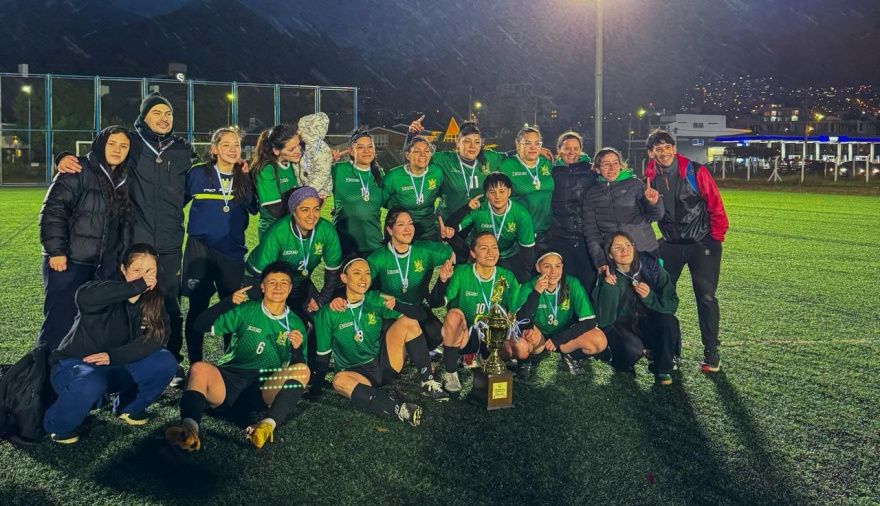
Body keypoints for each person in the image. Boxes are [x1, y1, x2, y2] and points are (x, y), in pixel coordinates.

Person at [56, 92, 200, 377]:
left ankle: (172, 361)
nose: (164, 118)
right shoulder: (131, 143)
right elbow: (99, 155)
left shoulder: (183, 150)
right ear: (143, 117)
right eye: (157, 112)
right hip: (135, 241)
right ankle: (121, 359)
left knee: (170, 305)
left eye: (168, 114)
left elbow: (189, 188)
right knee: (127, 302)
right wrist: (62, 157)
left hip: (170, 244)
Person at [165, 262, 310, 450]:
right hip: (229, 381)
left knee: (302, 370)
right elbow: (199, 325)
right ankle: (189, 429)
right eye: (272, 282)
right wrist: (227, 303)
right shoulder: (246, 309)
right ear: (262, 287)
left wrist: (296, 350)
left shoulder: (296, 323)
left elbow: (298, 367)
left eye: (284, 283)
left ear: (290, 289)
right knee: (199, 368)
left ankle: (266, 426)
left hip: (263, 387)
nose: (278, 287)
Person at [43, 244, 178, 443]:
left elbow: (155, 340)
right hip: (77, 365)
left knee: (164, 361)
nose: (143, 277)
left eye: (150, 271)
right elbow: (83, 296)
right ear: (123, 269)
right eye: (137, 270)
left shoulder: (155, 299)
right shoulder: (104, 289)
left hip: (115, 363)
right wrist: (135, 287)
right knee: (90, 383)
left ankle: (128, 407)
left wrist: (112, 357)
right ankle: (58, 424)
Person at [312, 258, 447, 427]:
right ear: (344, 278)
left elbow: (421, 315)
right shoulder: (328, 313)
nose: (364, 278)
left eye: (367, 273)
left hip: (384, 364)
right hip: (356, 373)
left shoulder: (375, 299)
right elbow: (323, 354)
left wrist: (398, 305)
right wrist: (316, 387)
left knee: (409, 322)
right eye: (357, 273)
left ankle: (427, 382)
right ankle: (399, 409)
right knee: (339, 381)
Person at [38, 126, 134, 351]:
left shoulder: (122, 177)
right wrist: (56, 251)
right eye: (112, 144)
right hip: (71, 262)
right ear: (100, 145)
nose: (117, 150)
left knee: (93, 325)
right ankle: (43, 370)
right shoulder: (78, 169)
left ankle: (79, 371)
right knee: (60, 322)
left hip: (103, 265)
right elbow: (53, 211)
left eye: (124, 146)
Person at [644, 130, 729, 372]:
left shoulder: (695, 171)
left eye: (667, 147)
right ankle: (668, 351)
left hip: (701, 243)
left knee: (706, 297)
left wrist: (714, 239)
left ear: (674, 148)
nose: (664, 152)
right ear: (651, 153)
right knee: (661, 296)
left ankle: (711, 351)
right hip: (670, 244)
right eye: (658, 149)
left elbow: (715, 204)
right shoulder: (649, 175)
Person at [182, 127, 257, 364]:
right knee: (197, 306)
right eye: (226, 145)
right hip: (200, 250)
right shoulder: (197, 174)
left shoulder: (244, 178)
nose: (233, 149)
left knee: (232, 308)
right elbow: (175, 204)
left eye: (236, 145)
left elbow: (255, 208)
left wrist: (250, 176)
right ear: (214, 149)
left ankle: (229, 364)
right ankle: (196, 363)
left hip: (232, 252)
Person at [434, 232, 534, 391]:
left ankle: (486, 358)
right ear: (473, 253)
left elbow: (515, 309)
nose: (491, 252)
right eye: (484, 248)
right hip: (465, 335)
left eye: (494, 247)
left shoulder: (507, 276)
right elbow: (439, 302)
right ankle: (450, 370)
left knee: (522, 348)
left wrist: (533, 292)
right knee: (453, 315)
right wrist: (442, 281)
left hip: (493, 336)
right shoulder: (461, 272)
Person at [592, 232, 681, 385]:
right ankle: (623, 365)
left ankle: (662, 369)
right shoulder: (607, 275)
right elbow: (604, 320)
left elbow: (672, 303)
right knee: (633, 349)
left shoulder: (651, 267)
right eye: (617, 247)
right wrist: (609, 288)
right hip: (622, 324)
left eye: (628, 245)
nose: (624, 250)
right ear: (610, 255)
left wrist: (650, 297)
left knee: (670, 321)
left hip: (648, 320)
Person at [246, 187, 342, 323]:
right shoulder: (277, 233)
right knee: (275, 321)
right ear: (293, 211)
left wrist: (322, 299)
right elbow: (260, 276)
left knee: (320, 319)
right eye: (305, 210)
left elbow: (333, 272)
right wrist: (273, 305)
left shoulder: (326, 231)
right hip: (262, 279)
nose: (312, 216)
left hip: (298, 280)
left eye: (316, 209)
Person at [364, 208, 454, 350]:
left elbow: (456, 254)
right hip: (390, 312)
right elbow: (360, 289)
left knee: (436, 334)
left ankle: (413, 349)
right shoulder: (377, 258)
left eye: (410, 223)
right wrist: (381, 300)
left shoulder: (423, 250)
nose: (407, 229)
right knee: (387, 333)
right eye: (401, 225)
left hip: (416, 309)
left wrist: (449, 237)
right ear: (390, 229)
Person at [515, 251, 609, 376]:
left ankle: (571, 357)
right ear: (538, 267)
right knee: (524, 337)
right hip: (538, 336)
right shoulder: (528, 286)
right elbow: (520, 319)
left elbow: (589, 321)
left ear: (562, 267)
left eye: (557, 266)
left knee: (599, 340)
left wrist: (559, 339)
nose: (553, 271)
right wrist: (536, 293)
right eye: (547, 266)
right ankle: (525, 361)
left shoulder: (572, 283)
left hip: (563, 336)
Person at [583, 147, 663, 280]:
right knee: (621, 292)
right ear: (597, 169)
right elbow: (591, 231)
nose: (612, 168)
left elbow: (655, 216)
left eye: (615, 163)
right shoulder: (592, 194)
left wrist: (653, 203)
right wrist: (600, 260)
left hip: (644, 249)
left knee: (651, 289)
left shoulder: (635, 184)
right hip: (614, 255)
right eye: (606, 164)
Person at [407, 116, 506, 221]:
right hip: (447, 223)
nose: (473, 146)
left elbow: (513, 156)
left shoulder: (489, 158)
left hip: (477, 223)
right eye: (467, 141)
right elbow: (413, 159)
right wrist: (411, 135)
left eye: (477, 142)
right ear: (458, 142)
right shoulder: (444, 159)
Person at [445, 173, 535, 283]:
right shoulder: (479, 209)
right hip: (479, 255)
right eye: (492, 192)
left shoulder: (521, 214)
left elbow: (528, 251)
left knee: (506, 286)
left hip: (507, 255)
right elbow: (451, 226)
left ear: (509, 192)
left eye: (502, 191)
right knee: (472, 284)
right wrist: (466, 208)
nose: (497, 196)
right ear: (487, 194)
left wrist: (525, 277)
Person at [550, 131, 599, 295]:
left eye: (576, 148)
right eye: (567, 148)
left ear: (581, 150)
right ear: (559, 150)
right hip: (561, 239)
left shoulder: (591, 171)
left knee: (588, 285)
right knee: (565, 287)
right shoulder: (551, 171)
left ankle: (588, 312)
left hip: (586, 240)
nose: (572, 152)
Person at [331, 129, 386, 256]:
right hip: (344, 245)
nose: (366, 151)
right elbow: (312, 177)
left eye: (370, 146)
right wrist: (326, 162)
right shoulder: (339, 170)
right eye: (360, 147)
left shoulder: (379, 174)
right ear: (351, 151)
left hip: (373, 245)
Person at [500, 126, 555, 252]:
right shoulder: (506, 165)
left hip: (544, 234)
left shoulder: (546, 162)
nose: (533, 147)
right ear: (517, 145)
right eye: (527, 143)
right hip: (517, 234)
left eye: (537, 143)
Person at [382, 135, 444, 240]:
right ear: (408, 155)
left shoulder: (436, 172)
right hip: (402, 232)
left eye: (426, 151)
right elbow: (381, 201)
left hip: (429, 231)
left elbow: (442, 195)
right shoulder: (394, 176)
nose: (423, 155)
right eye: (417, 151)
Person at [251, 124, 303, 239]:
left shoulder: (293, 164)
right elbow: (275, 210)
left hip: (293, 229)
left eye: (298, 145)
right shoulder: (266, 170)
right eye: (291, 149)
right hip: (273, 232)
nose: (298, 151)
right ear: (276, 150)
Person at [296, 112, 333, 198]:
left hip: (320, 193)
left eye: (300, 129)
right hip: (304, 191)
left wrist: (307, 193)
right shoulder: (301, 145)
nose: (298, 131)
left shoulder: (322, 148)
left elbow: (322, 174)